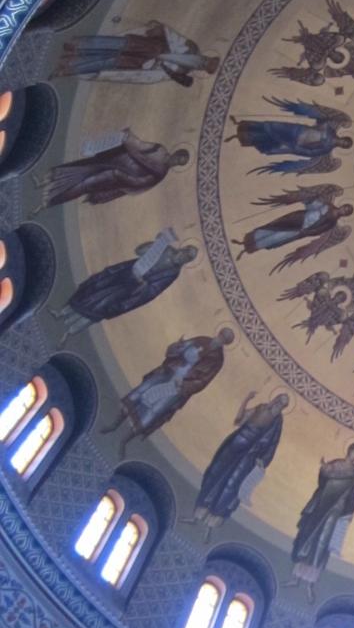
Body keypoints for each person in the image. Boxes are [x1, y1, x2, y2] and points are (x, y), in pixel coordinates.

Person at [100, 329, 234, 456]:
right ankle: (114, 425)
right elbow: (178, 349)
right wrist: (177, 347)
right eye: (221, 335)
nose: (220, 339)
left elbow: (203, 381)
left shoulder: (217, 360)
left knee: (154, 412)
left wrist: (184, 385)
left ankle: (124, 441)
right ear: (218, 333)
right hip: (167, 371)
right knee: (138, 394)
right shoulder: (202, 340)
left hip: (178, 388)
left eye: (224, 339)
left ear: (226, 343)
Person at [51, 235, 197, 341]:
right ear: (182, 248)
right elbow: (138, 251)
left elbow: (154, 291)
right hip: (121, 273)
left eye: (188, 258)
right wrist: (155, 245)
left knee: (100, 307)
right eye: (186, 252)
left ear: (187, 262)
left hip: (129, 289)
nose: (183, 257)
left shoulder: (172, 273)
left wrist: (143, 285)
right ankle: (62, 312)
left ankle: (69, 332)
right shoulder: (166, 249)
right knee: (91, 289)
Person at [188, 392, 289, 538]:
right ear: (275, 398)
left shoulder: (277, 422)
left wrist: (262, 460)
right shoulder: (261, 408)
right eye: (279, 399)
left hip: (248, 457)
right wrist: (246, 400)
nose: (279, 403)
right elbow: (240, 420)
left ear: (284, 407)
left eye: (283, 403)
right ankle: (197, 513)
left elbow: (272, 444)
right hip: (234, 444)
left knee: (232, 487)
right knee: (215, 474)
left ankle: (211, 523)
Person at [34, 131, 190, 209]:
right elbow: (141, 146)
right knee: (82, 167)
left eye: (179, 162)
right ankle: (47, 179)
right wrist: (130, 138)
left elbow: (139, 183)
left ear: (177, 165)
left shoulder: (160, 173)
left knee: (85, 185)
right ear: (176, 153)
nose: (176, 160)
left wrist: (119, 175)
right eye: (179, 157)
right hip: (116, 160)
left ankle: (49, 200)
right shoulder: (160, 149)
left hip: (115, 176)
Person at [289, 444, 354, 601]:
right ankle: (295, 577)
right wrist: (323, 470)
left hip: (335, 510)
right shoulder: (334, 464)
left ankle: (310, 583)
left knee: (322, 544)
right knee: (307, 538)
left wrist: (349, 512)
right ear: (349, 450)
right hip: (320, 504)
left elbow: (353, 496)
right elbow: (322, 482)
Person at [55, 21, 219, 86]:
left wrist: (157, 68)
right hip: (151, 46)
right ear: (206, 56)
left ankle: (71, 65)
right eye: (208, 60)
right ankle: (77, 45)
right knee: (115, 45)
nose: (205, 62)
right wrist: (161, 31)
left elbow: (159, 76)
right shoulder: (192, 48)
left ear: (202, 69)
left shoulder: (183, 72)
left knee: (111, 61)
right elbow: (174, 38)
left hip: (144, 64)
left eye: (206, 65)